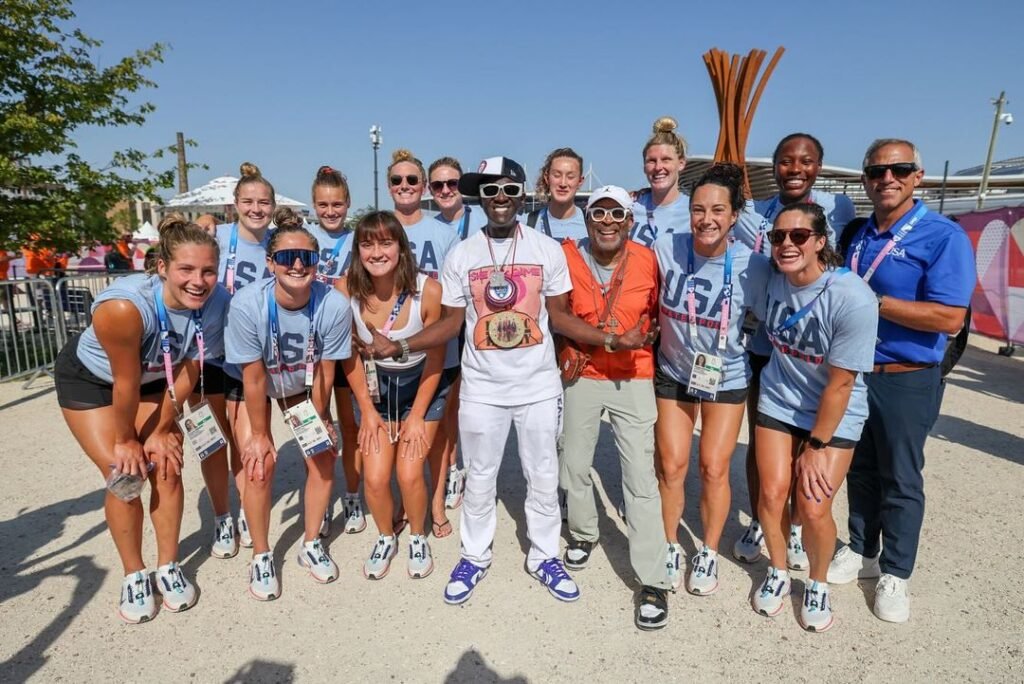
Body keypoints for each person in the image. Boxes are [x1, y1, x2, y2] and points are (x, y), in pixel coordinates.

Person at [366, 157, 587, 605]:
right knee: (480, 478)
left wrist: (605, 340)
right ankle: (474, 554)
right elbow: (450, 324)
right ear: (479, 199)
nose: (500, 199)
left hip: (537, 386)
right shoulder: (462, 254)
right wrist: (402, 345)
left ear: (523, 193)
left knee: (542, 475)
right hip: (483, 388)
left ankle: (544, 556)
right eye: (489, 191)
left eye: (508, 189)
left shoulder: (547, 249)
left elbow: (560, 315)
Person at [54, 214, 230, 623]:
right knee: (125, 473)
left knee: (166, 465)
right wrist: (129, 440)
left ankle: (168, 565)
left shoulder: (218, 301)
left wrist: (164, 427)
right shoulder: (123, 307)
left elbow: (190, 366)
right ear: (162, 268)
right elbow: (124, 382)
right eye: (186, 269)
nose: (198, 281)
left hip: (160, 378)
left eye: (208, 271)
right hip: (95, 382)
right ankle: (134, 573)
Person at [828, 139, 975, 623]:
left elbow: (949, 317)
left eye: (899, 169)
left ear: (918, 176)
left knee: (901, 478)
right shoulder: (858, 233)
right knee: (860, 468)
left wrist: (874, 302)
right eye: (876, 171)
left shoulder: (942, 236)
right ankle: (860, 550)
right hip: (855, 373)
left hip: (907, 376)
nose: (887, 178)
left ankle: (896, 572)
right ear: (865, 179)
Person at [224, 207, 384, 599]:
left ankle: (311, 542)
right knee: (258, 462)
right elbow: (254, 375)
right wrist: (261, 434)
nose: (296, 264)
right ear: (270, 261)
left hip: (299, 384)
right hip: (255, 385)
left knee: (324, 455)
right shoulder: (248, 304)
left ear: (318, 262)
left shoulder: (331, 303)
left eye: (306, 258)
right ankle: (261, 554)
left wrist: (323, 418)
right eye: (285, 257)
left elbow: (327, 371)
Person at [749, 203, 878, 632]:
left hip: (834, 413)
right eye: (779, 237)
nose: (787, 244)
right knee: (770, 495)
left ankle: (817, 582)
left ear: (821, 241)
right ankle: (779, 571)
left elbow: (840, 385)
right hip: (779, 400)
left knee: (813, 504)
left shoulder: (852, 297)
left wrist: (816, 447)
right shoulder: (772, 278)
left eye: (799, 236)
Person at [732, 133, 857, 570]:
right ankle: (762, 520)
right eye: (787, 161)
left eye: (805, 161)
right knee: (764, 444)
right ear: (775, 167)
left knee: (810, 446)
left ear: (818, 167)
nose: (796, 168)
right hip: (769, 348)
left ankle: (799, 528)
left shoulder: (839, 208)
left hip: (819, 348)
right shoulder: (755, 210)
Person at [652, 164, 770, 595]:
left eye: (718, 209)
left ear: (735, 214)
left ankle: (707, 549)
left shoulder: (752, 265)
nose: (707, 219)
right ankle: (668, 544)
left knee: (714, 466)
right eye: (698, 209)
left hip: (727, 375)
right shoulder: (668, 248)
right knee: (671, 464)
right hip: (674, 370)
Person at [555, 185, 669, 629]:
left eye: (615, 215)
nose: (607, 222)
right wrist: (593, 340)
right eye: (598, 214)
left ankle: (652, 578)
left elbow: (660, 313)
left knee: (640, 478)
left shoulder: (648, 259)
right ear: (586, 220)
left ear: (629, 221)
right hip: (584, 371)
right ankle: (584, 533)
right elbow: (557, 313)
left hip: (633, 373)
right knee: (575, 463)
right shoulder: (567, 255)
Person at [338, 210, 452, 579]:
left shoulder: (428, 290)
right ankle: (386, 535)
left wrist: (418, 415)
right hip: (376, 388)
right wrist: (367, 411)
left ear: (401, 249)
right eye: (367, 243)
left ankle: (418, 535)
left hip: (422, 385)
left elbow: (437, 357)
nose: (376, 252)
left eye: (386, 242)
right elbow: (350, 356)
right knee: (373, 477)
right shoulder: (345, 291)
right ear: (357, 251)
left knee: (408, 472)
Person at [201, 162, 278, 560]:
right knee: (213, 443)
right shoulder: (216, 234)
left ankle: (249, 511)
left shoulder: (279, 246)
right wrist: (201, 221)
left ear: (273, 206)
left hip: (250, 361)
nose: (256, 208)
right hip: (208, 354)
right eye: (248, 201)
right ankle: (221, 516)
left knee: (248, 441)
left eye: (263, 201)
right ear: (235, 204)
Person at [388, 149, 462, 534]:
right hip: (392, 357)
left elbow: (454, 299)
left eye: (412, 180)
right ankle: (406, 498)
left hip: (437, 350)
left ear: (423, 188)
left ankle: (435, 501)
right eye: (397, 180)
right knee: (400, 430)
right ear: (388, 186)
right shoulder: (381, 230)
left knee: (437, 431)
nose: (405, 186)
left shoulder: (444, 234)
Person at [304, 165, 364, 539]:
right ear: (314, 205)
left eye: (337, 204)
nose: (331, 211)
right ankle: (320, 498)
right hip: (308, 349)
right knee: (315, 424)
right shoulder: (300, 237)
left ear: (347, 204)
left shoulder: (358, 240)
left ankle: (353, 495)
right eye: (324, 205)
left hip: (348, 343)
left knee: (351, 425)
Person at [630, 117, 691, 248]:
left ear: (681, 164)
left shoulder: (695, 210)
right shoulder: (629, 207)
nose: (658, 167)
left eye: (666, 159)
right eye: (651, 161)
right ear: (644, 166)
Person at [524, 148, 588, 241]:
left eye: (570, 177)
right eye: (557, 175)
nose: (563, 184)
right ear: (547, 178)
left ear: (580, 181)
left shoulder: (591, 225)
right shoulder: (527, 224)